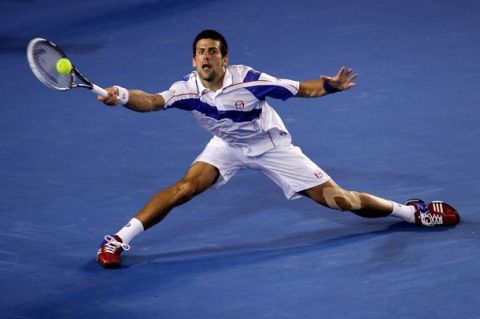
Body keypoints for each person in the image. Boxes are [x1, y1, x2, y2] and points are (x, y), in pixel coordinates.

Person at [96, 29, 460, 268]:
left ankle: (411, 212)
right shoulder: (185, 88)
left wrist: (329, 87)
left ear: (225, 59)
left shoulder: (251, 81)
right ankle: (118, 238)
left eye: (213, 51)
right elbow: (153, 101)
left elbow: (301, 89)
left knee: (340, 201)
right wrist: (124, 96)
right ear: (193, 61)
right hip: (227, 144)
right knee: (184, 188)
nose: (206, 57)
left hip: (269, 146)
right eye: (200, 52)